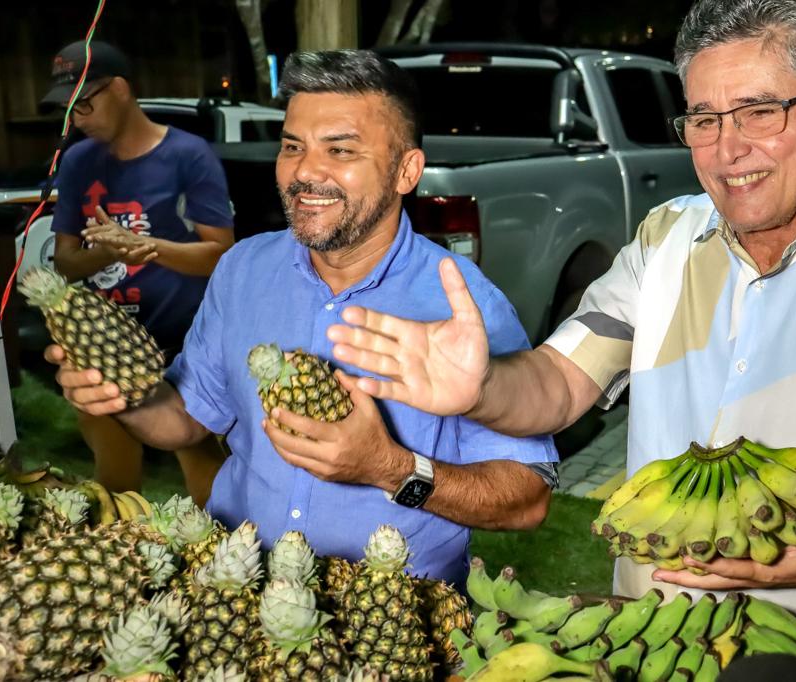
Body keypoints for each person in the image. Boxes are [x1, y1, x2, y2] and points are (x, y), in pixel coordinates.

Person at [325, 0, 796, 667]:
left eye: (760, 112)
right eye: (703, 118)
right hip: (650, 651)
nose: (727, 150)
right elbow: (560, 383)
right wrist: (482, 388)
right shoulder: (666, 239)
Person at [46, 49, 557, 585]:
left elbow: (527, 499)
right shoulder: (243, 269)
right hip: (239, 594)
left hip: (394, 623)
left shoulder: (464, 306)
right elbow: (188, 417)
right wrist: (127, 395)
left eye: (340, 150)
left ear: (406, 171)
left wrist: (390, 468)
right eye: (293, 146)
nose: (306, 170)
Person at [42, 40, 235, 506]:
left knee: (208, 477)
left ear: (122, 89)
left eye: (85, 102)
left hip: (184, 342)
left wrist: (146, 248)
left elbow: (221, 254)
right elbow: (66, 261)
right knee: (114, 485)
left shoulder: (188, 155)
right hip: (105, 346)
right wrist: (109, 254)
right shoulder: (77, 162)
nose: (79, 117)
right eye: (70, 109)